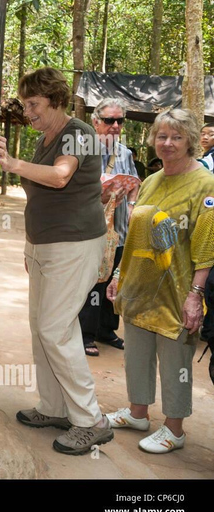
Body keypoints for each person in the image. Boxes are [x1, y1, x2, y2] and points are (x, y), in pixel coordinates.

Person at [0, 67, 113, 455]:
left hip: (74, 246)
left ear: (56, 101)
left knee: (55, 329)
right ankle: (55, 407)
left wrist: (12, 165)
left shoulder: (79, 133)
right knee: (39, 327)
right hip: (46, 247)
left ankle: (90, 419)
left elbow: (61, 177)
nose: (28, 112)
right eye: (26, 104)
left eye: (34, 104)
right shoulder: (48, 136)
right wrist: (33, 248)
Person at [105, 109, 214, 454]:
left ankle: (174, 428)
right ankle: (138, 413)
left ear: (191, 141)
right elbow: (134, 234)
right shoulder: (151, 180)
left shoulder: (206, 184)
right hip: (140, 285)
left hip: (179, 289)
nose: (167, 143)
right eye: (162, 136)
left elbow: (207, 243)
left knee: (174, 362)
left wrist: (196, 294)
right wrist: (120, 275)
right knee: (136, 352)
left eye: (176, 137)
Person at [79, 99, 139, 357]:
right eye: (109, 120)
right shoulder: (82, 149)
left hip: (120, 230)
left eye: (119, 121)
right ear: (95, 122)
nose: (115, 126)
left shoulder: (125, 153)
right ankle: (85, 334)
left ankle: (107, 329)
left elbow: (135, 182)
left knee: (115, 278)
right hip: (92, 228)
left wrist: (133, 201)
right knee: (93, 281)